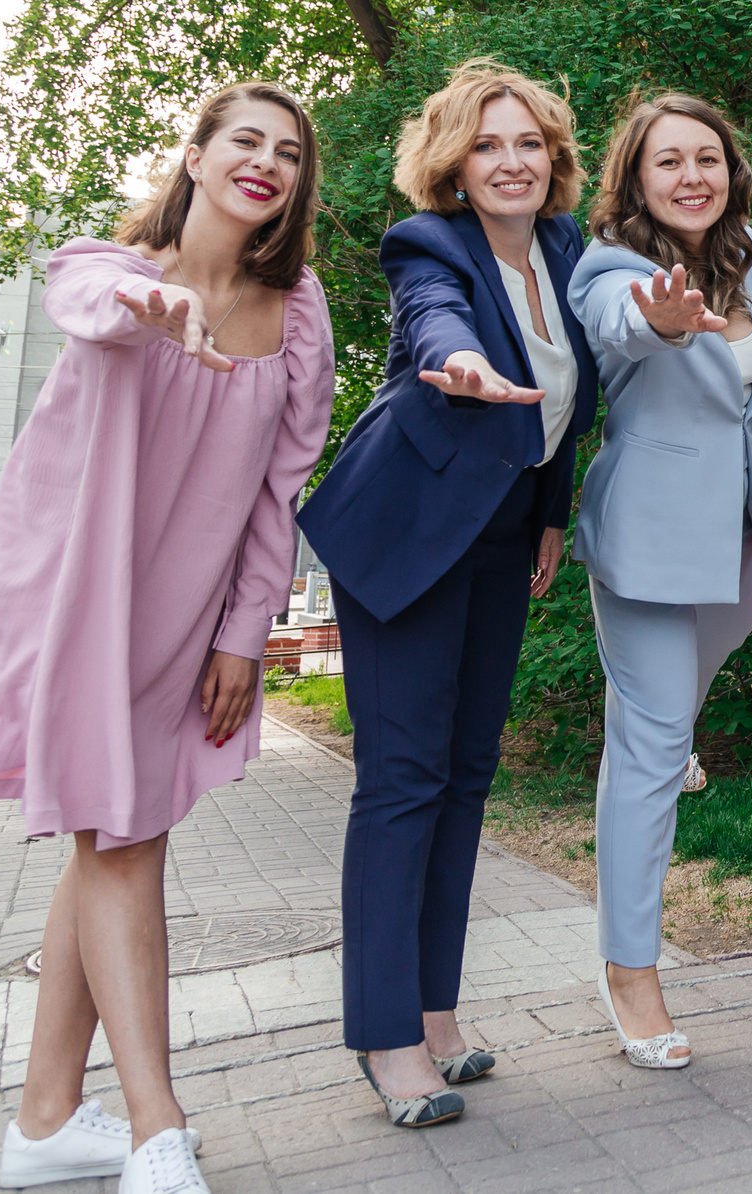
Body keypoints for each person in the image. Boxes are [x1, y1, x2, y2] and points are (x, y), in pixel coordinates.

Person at [0, 83, 334, 1194]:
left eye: (287, 152)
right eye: (243, 140)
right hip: (74, 600)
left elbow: (280, 489)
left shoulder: (297, 313)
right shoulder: (103, 268)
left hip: (188, 619)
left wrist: (246, 632)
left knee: (110, 836)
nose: (266, 162)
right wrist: (152, 310)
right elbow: (88, 300)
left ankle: (45, 1120)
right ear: (194, 156)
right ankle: (156, 1122)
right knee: (122, 837)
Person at [298, 62, 598, 1124]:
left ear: (554, 159)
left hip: (504, 533)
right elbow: (434, 319)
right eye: (486, 145)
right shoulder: (428, 244)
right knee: (403, 780)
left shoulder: (567, 251)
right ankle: (385, 1037)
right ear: (453, 166)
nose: (509, 161)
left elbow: (571, 389)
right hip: (407, 531)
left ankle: (433, 1010)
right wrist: (464, 358)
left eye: (528, 143)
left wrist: (553, 511)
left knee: (468, 775)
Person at [568, 92, 752, 1070]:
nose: (691, 174)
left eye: (708, 155)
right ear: (637, 178)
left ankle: (654, 747)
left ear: (730, 171)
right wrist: (657, 323)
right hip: (652, 541)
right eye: (668, 161)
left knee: (653, 734)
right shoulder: (613, 268)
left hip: (733, 537)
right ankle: (631, 974)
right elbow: (623, 323)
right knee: (650, 750)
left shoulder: (738, 264)